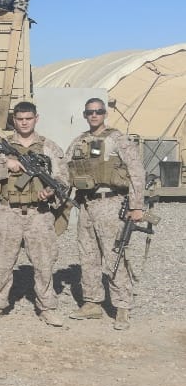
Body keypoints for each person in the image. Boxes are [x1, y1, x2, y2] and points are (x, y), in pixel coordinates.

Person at [0, 101, 68, 327]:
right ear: (13, 121)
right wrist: (7, 163)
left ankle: (47, 307)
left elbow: (64, 179)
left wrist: (50, 192)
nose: (24, 122)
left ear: (36, 118)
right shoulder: (0, 146)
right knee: (2, 262)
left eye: (29, 118)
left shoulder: (49, 147)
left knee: (44, 262)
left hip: (39, 213)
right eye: (20, 119)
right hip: (9, 211)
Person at [65, 98, 146, 330]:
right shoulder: (79, 141)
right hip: (86, 205)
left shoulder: (117, 139)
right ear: (84, 114)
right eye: (89, 112)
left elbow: (136, 171)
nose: (94, 115)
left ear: (105, 113)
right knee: (88, 255)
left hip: (110, 202)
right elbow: (65, 169)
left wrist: (137, 205)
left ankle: (122, 306)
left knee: (114, 255)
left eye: (98, 111)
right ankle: (92, 303)